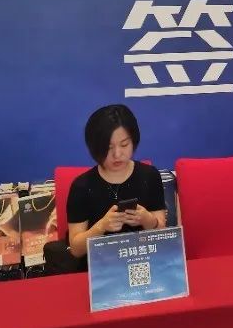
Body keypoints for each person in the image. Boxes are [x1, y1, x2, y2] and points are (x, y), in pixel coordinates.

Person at [66, 104, 166, 259]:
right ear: (95, 147)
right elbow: (75, 249)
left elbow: (162, 236)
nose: (117, 154)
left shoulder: (150, 176)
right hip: (99, 266)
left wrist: (147, 220)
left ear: (134, 141)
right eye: (108, 147)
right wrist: (101, 227)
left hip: (142, 260)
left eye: (124, 144)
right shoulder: (82, 186)